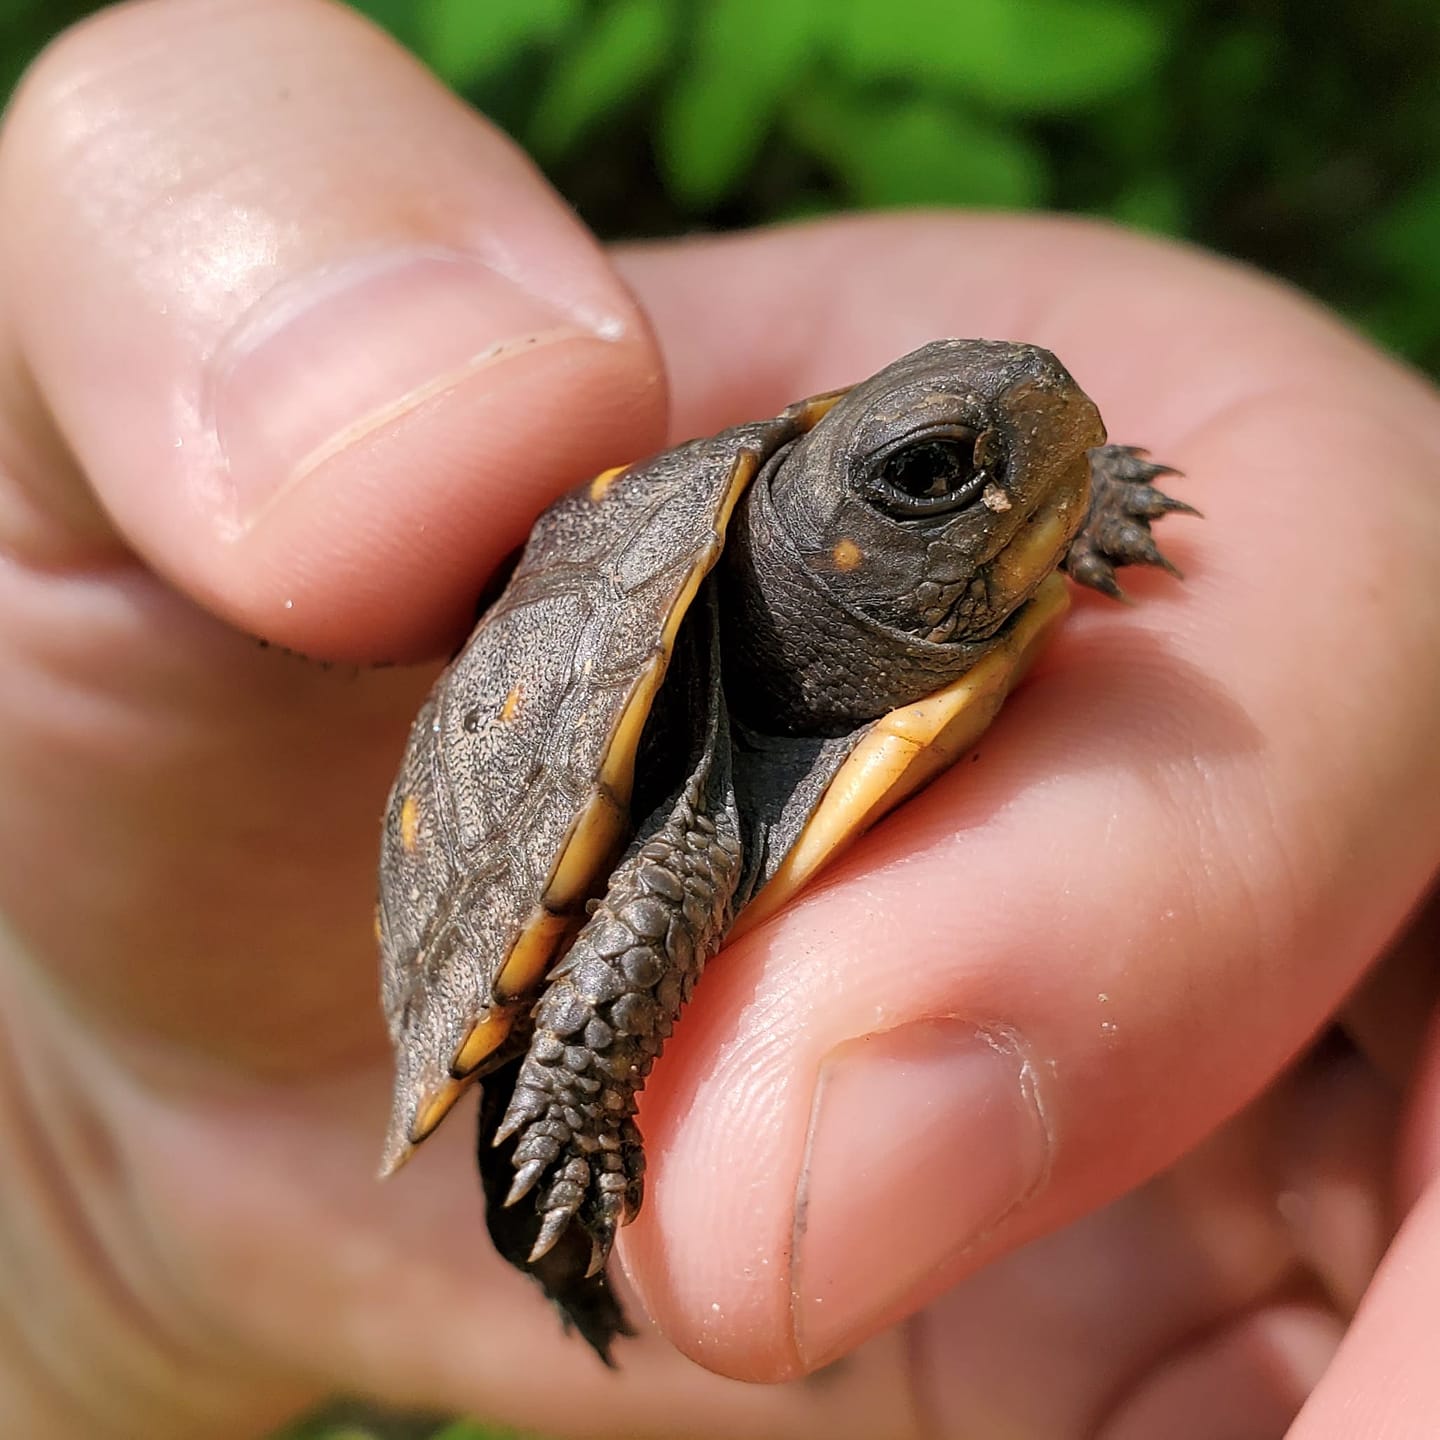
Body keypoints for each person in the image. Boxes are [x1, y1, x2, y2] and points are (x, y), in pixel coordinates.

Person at [1, 3, 1436, 1437]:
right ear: (821, 548)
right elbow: (614, 936)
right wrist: (566, 1122)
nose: (1032, 432)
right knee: (660, 898)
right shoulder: (681, 828)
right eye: (932, 471)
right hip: (550, 865)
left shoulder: (947, 542)